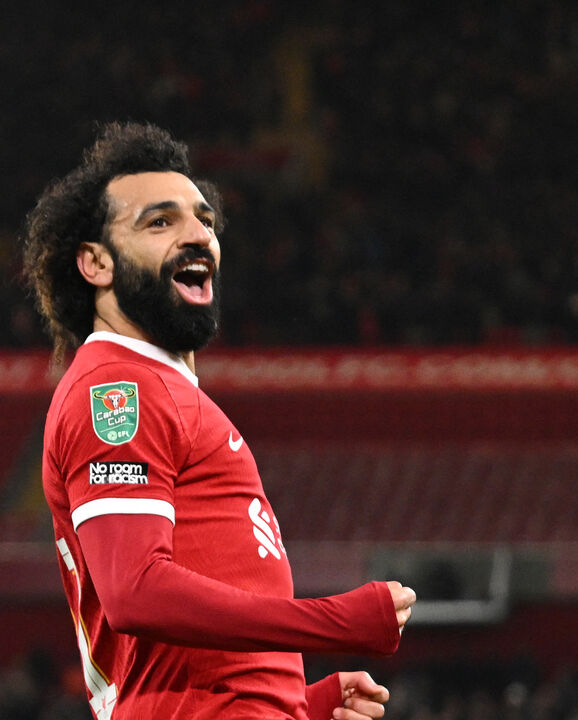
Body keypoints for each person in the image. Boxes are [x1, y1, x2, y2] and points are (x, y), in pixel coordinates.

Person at [22, 122, 416, 720]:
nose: (197, 234)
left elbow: (182, 666)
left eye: (204, 219)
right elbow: (136, 592)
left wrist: (297, 704)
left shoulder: (163, 389)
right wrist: (335, 622)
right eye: (160, 222)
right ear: (96, 263)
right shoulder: (118, 389)